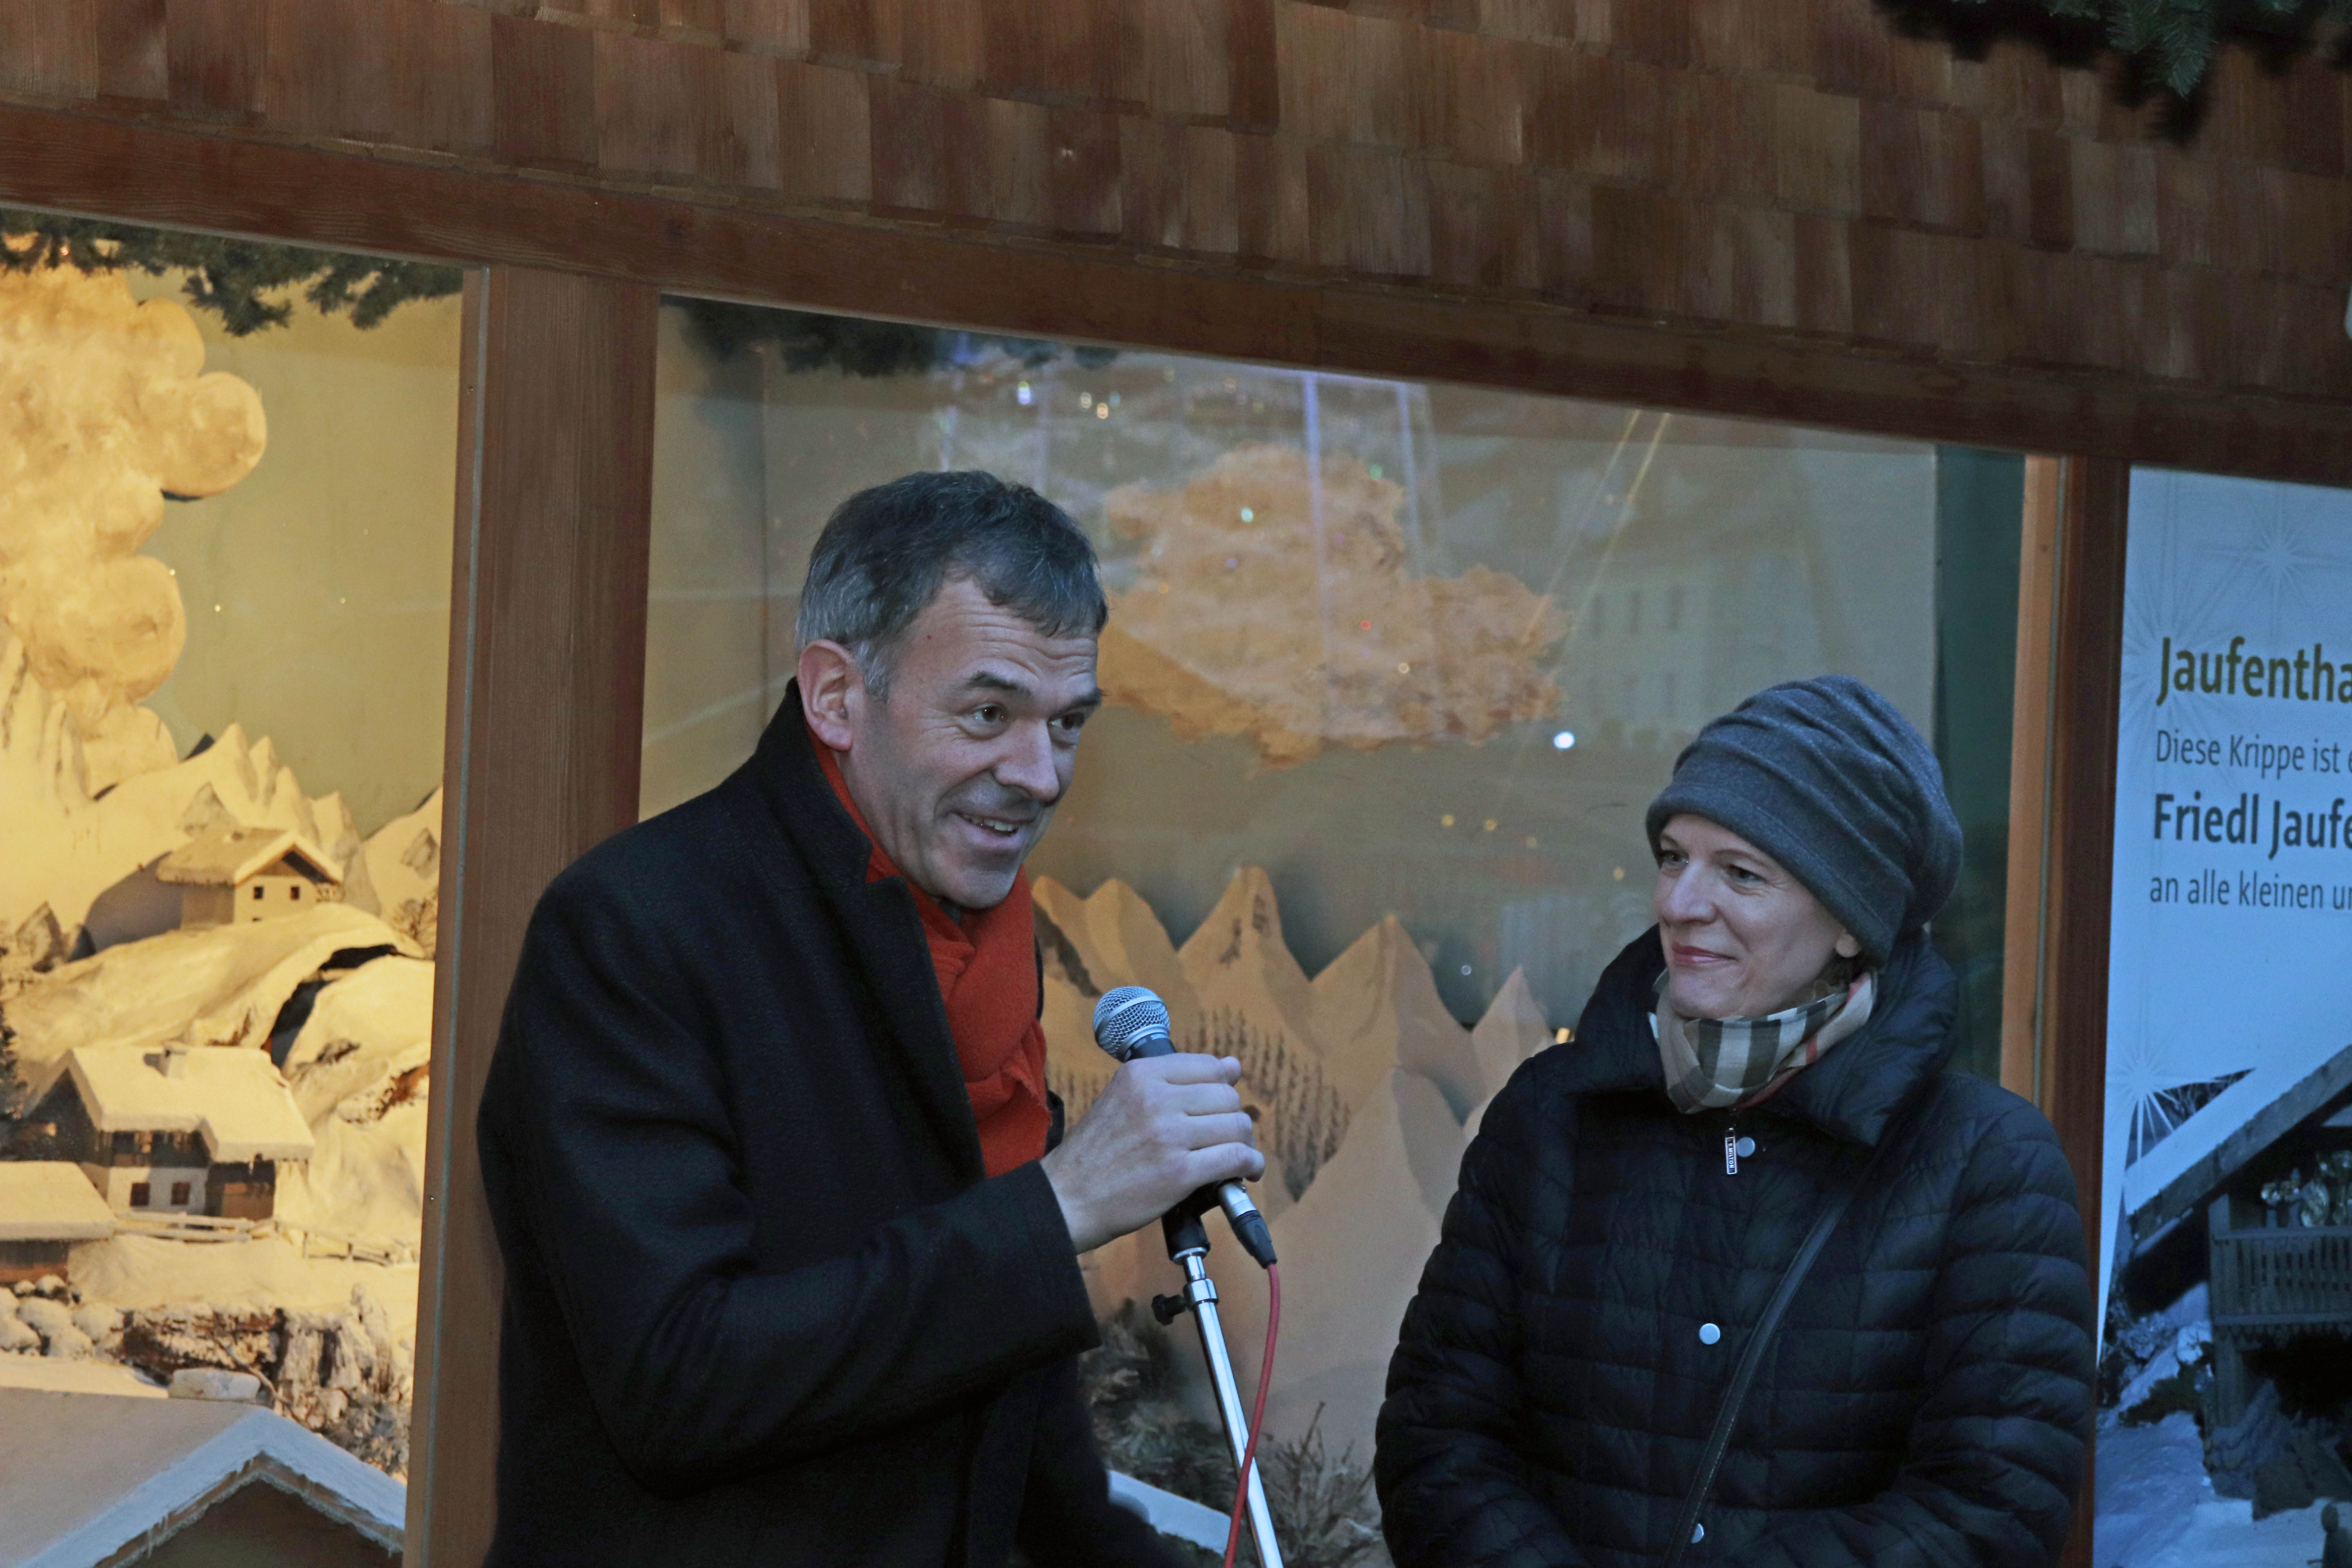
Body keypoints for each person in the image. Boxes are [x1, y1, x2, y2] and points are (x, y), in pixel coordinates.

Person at [475, 472, 1263, 1566]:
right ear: (836, 697)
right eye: (988, 714)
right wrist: (1060, 1204)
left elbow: (1008, 1409)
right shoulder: (637, 929)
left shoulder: (980, 954)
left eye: (1068, 724)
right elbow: (677, 1385)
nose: (1037, 775)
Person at [1376, 677, 2096, 1567]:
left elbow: (1991, 1508)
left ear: (1849, 921)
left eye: (1741, 872)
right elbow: (1438, 1435)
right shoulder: (1551, 1113)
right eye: (1675, 856)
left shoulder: (1983, 1160)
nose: (1680, 903)